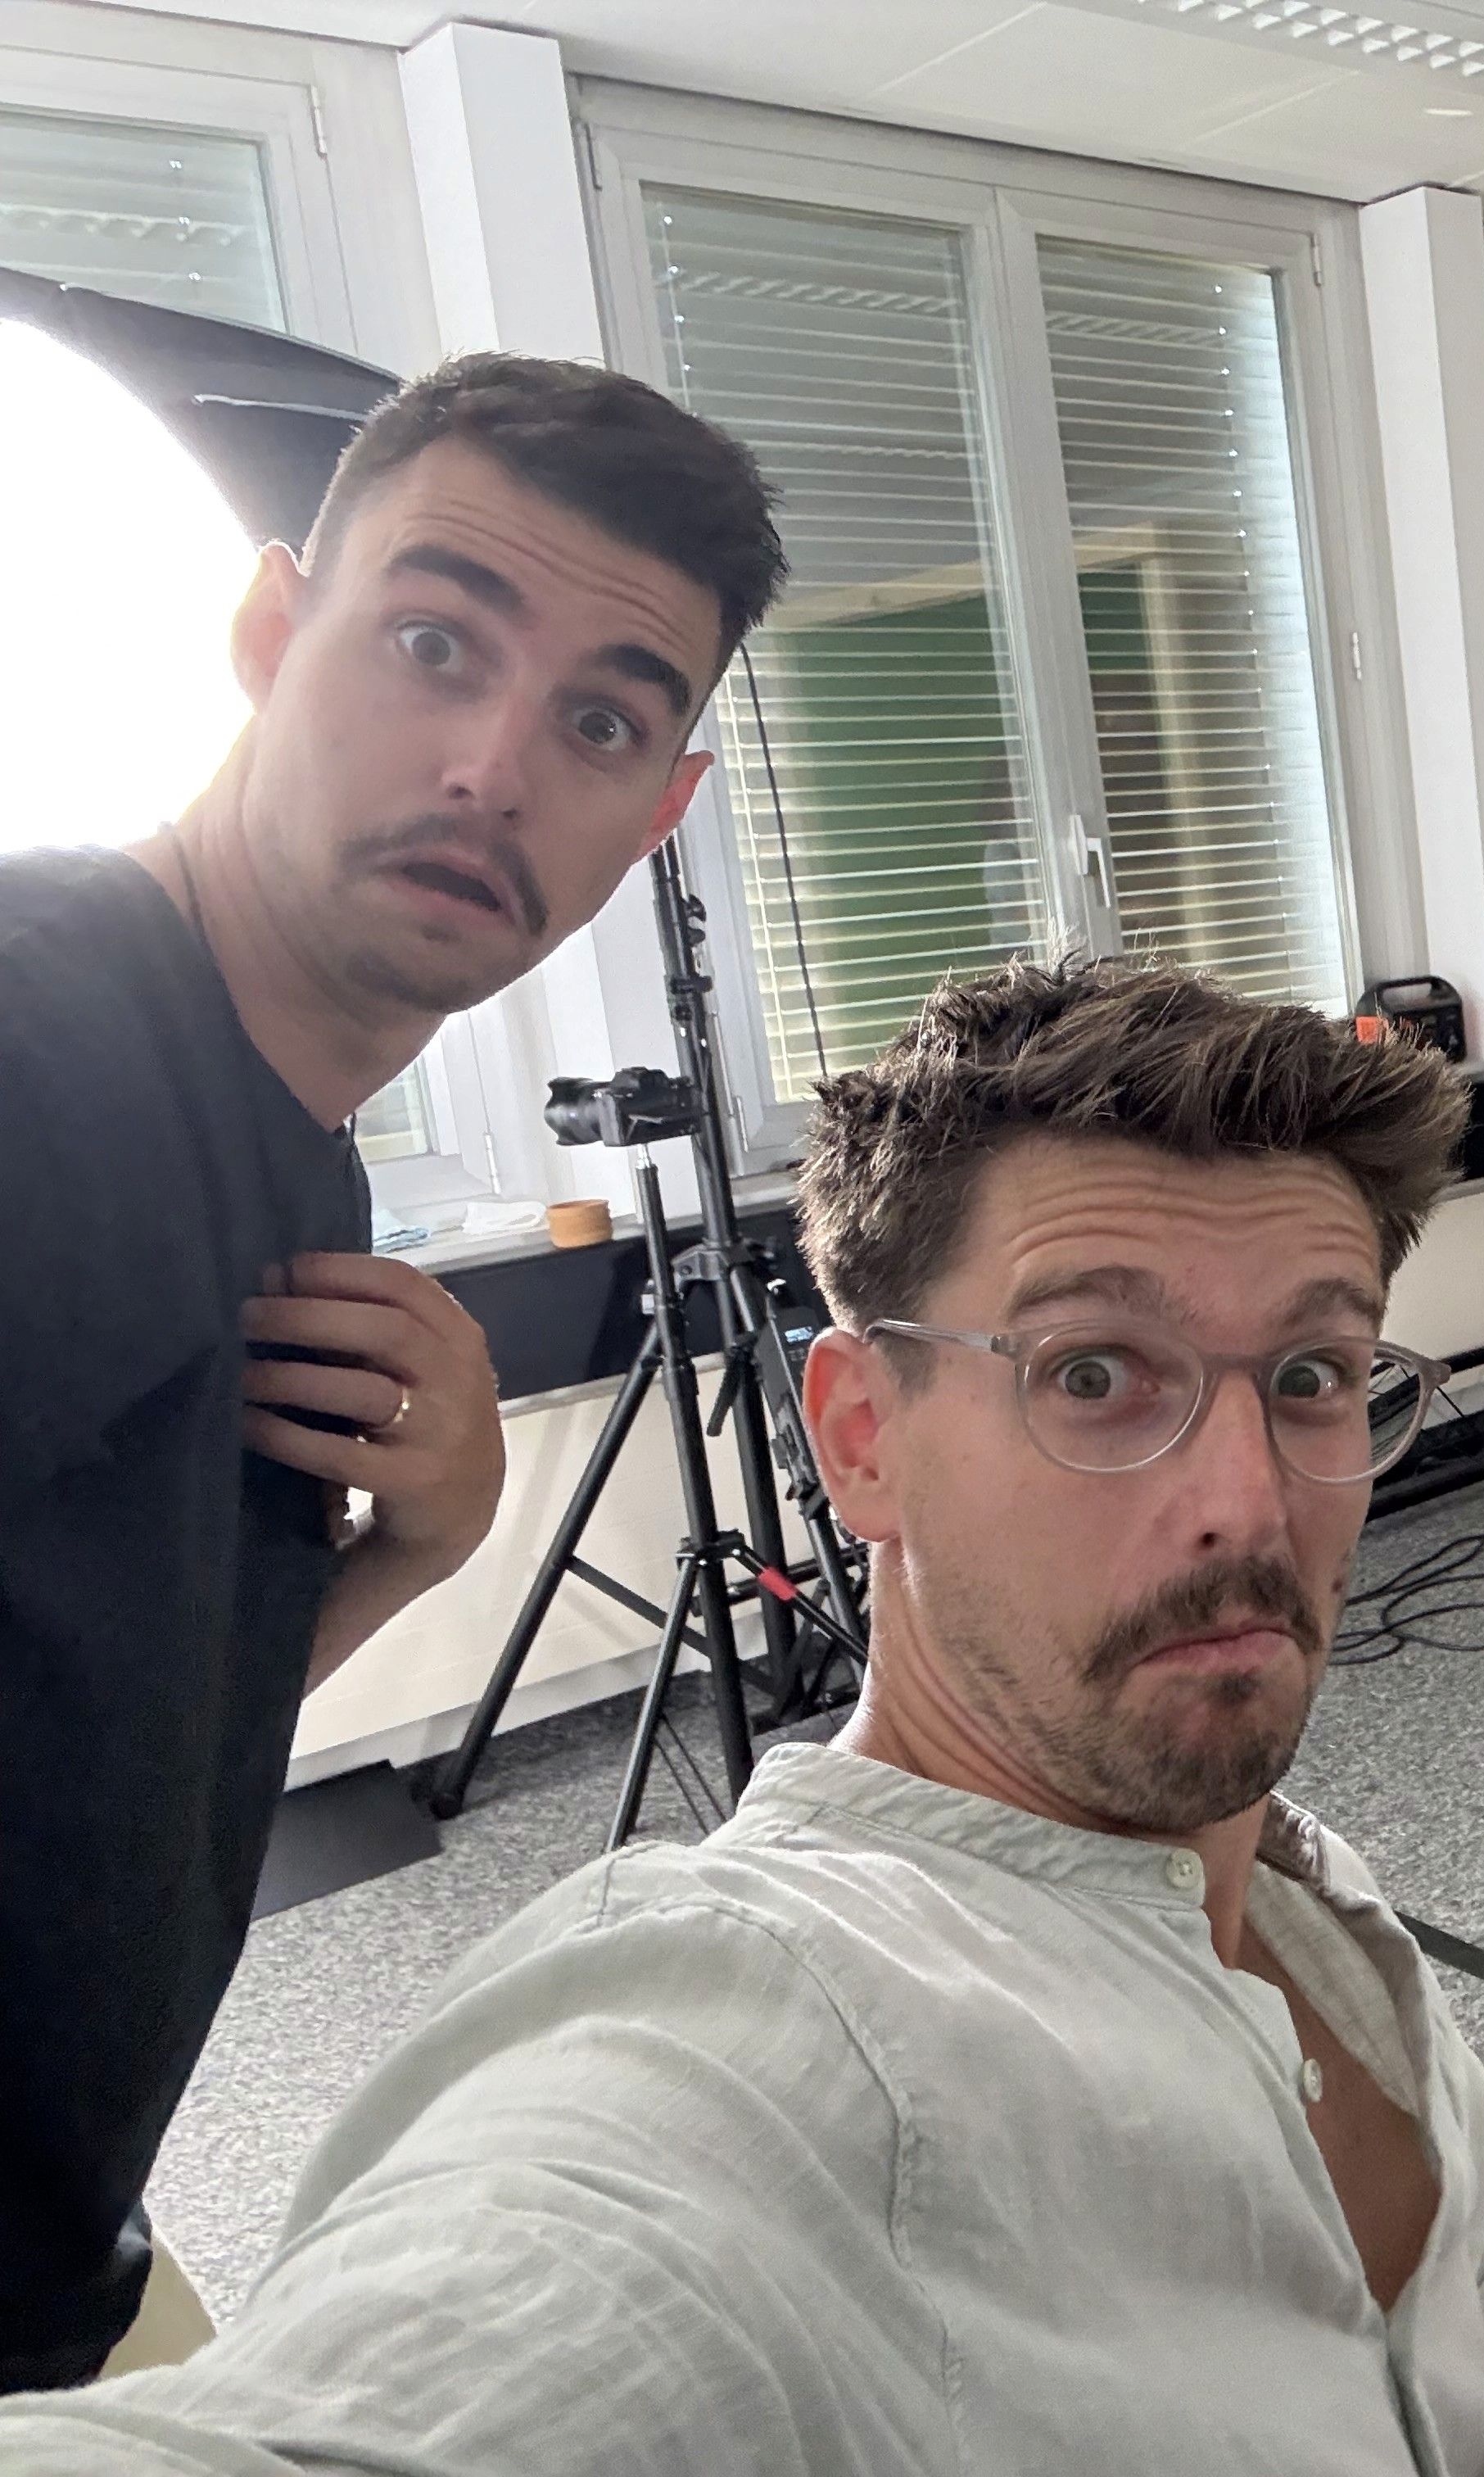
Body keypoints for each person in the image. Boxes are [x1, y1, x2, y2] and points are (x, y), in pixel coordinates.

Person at [0, 958, 1484, 2477]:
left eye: (1313, 1375)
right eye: (1095, 1375)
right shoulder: (752, 2026)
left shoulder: (1305, 1907)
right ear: (859, 1437)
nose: (1246, 1500)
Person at [0, 352, 785, 2390]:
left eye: (600, 720)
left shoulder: (282, 1125)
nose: (493, 768)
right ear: (274, 631)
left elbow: (107, 1722)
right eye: (437, 643)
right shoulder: (46, 1048)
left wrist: (412, 1553)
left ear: (662, 809)